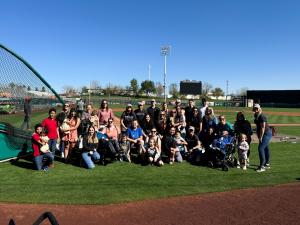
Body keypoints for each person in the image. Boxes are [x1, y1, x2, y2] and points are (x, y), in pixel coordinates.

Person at [253, 104, 272, 172]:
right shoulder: (256, 115)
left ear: (259, 109)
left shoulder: (262, 116)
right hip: (264, 133)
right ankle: (267, 164)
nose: (255, 109)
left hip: (266, 133)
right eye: (254, 108)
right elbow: (258, 126)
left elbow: (263, 127)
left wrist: (260, 137)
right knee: (266, 148)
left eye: (257, 108)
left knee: (260, 148)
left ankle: (262, 166)